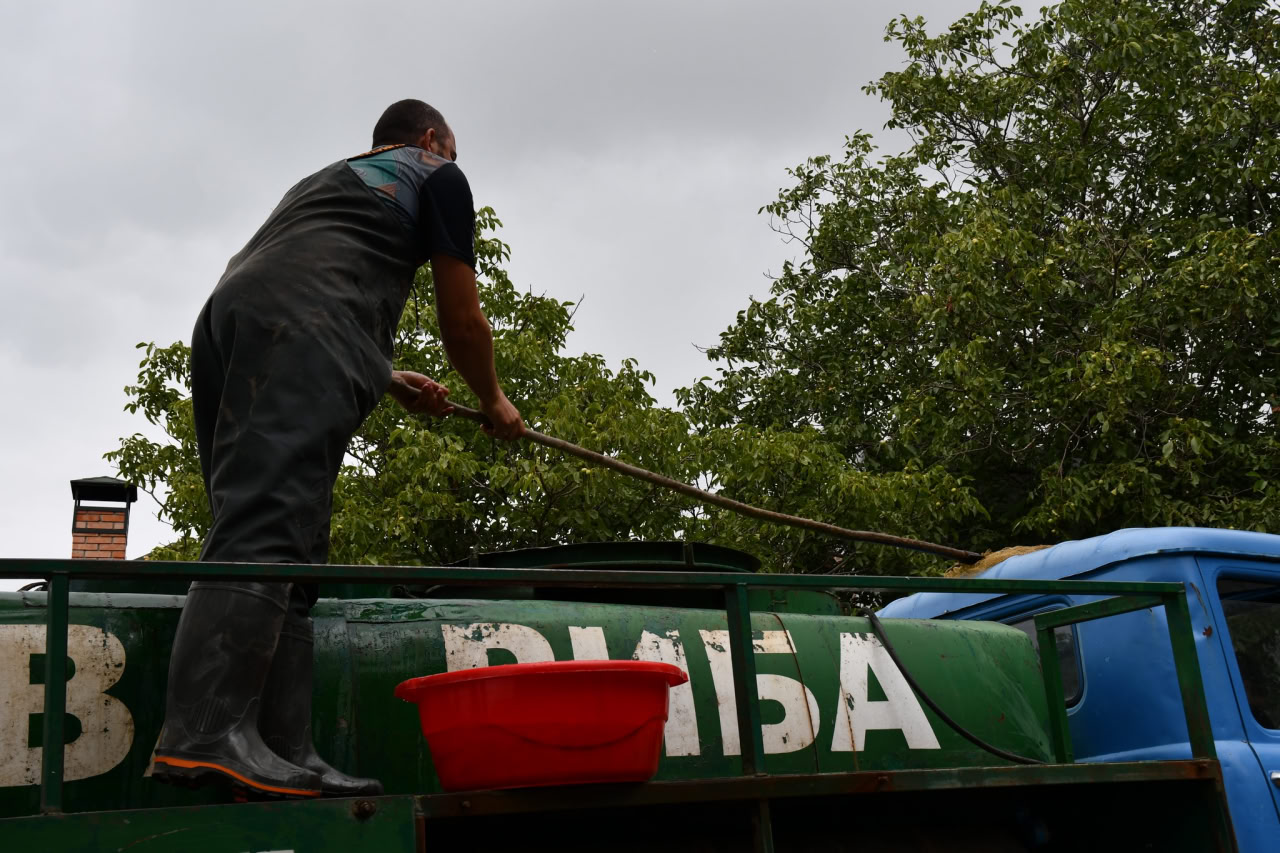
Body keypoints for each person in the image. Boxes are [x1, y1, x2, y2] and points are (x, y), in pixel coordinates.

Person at [151, 100, 524, 799]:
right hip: (302, 327)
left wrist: (385, 374)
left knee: (288, 539)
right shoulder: (438, 173)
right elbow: (462, 319)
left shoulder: (333, 180)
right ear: (431, 138)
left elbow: (299, 276)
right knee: (266, 528)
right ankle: (203, 732)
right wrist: (495, 399)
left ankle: (283, 746)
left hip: (232, 321)